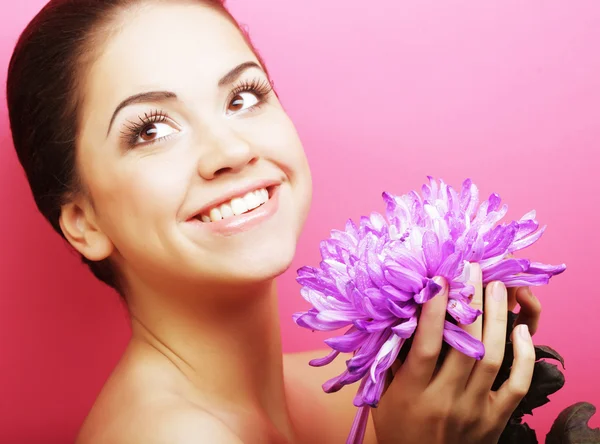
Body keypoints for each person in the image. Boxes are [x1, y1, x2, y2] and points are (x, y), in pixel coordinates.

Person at [6, 1, 542, 442]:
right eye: (151, 130)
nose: (232, 150)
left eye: (243, 96)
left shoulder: (368, 388)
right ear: (83, 222)